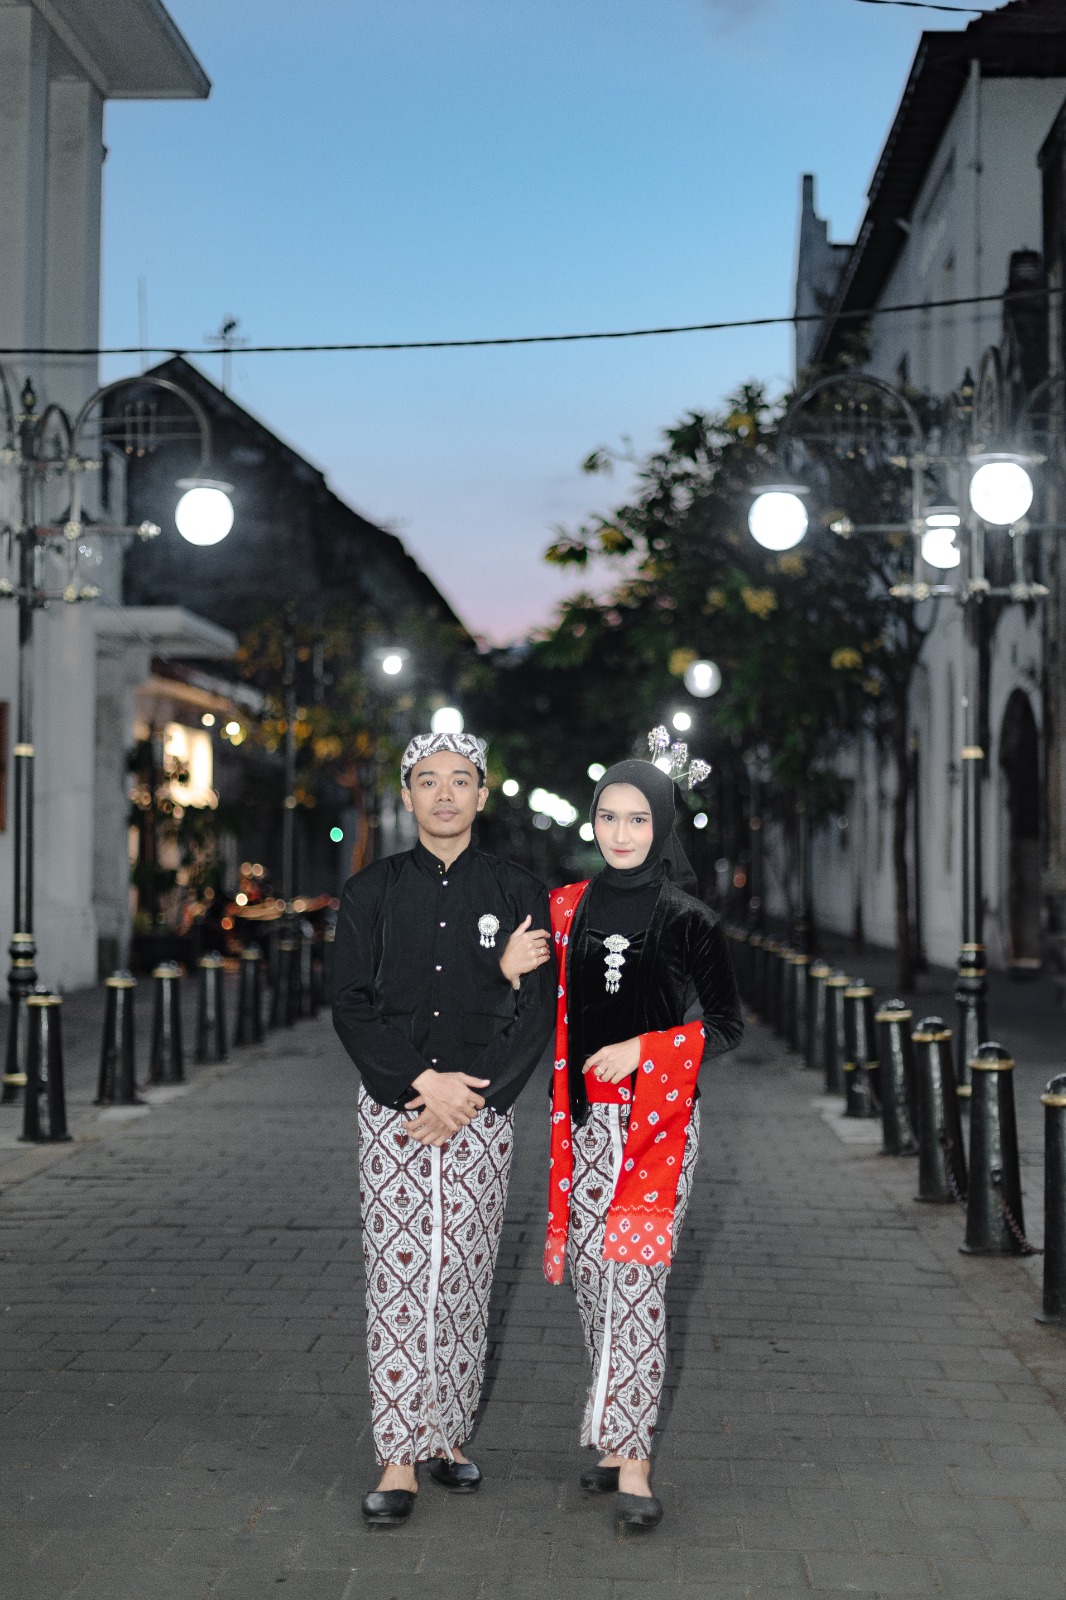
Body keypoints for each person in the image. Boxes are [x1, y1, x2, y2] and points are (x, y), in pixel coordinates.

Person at [501, 752, 742, 1533]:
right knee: (593, 1279)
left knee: (636, 1283)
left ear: (661, 825)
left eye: (638, 819)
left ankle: (633, 1461)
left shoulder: (689, 918)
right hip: (577, 1127)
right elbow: (524, 1001)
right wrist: (508, 968)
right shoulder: (564, 909)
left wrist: (647, 1049)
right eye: (609, 816)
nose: (622, 832)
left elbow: (727, 1026)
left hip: (656, 1128)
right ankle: (612, 1438)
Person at [332, 731, 554, 1527]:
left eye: (461, 780)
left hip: (481, 1112)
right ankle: (398, 1456)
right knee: (398, 1277)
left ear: (482, 794)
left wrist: (471, 1096)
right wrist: (420, 1084)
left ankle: (448, 1433)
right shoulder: (370, 892)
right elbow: (350, 1002)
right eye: (429, 781)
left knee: (464, 1268)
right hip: (394, 1110)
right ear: (408, 795)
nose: (446, 794)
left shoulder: (518, 891)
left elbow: (536, 1011)